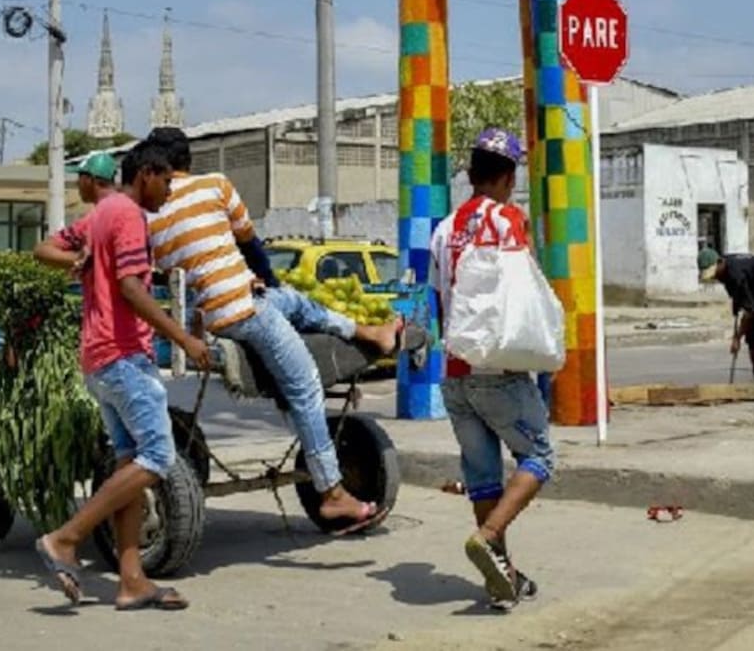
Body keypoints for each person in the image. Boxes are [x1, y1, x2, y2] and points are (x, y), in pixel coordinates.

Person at [142, 126, 414, 532]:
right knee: (304, 386)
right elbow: (251, 246)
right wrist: (264, 281)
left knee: (293, 302)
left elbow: (167, 274)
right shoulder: (214, 185)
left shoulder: (149, 214)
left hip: (212, 311)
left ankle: (365, 331)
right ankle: (331, 493)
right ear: (188, 162)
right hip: (241, 310)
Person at [31, 142, 211, 610]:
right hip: (124, 356)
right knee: (157, 457)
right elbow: (132, 287)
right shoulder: (128, 214)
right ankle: (66, 538)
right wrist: (185, 340)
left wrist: (78, 262)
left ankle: (131, 580)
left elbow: (42, 248)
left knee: (130, 462)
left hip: (98, 358)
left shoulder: (101, 214)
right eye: (168, 181)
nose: (169, 191)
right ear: (147, 173)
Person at [429, 127, 555, 610]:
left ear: (471, 174)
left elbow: (441, 297)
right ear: (507, 176)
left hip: (455, 373)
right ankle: (489, 535)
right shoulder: (507, 219)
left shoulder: (443, 228)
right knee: (540, 456)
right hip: (498, 370)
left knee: (483, 477)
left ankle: (503, 580)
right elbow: (520, 291)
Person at [698, 248, 754, 400]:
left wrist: (736, 337)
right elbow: (739, 297)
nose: (715, 277)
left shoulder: (735, 273)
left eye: (714, 272)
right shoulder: (724, 271)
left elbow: (750, 312)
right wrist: (737, 309)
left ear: (720, 262)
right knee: (752, 338)